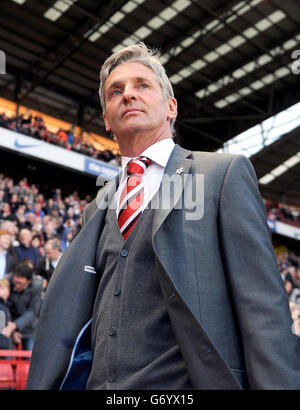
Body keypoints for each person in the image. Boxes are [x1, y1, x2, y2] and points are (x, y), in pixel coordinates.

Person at [27, 43, 300, 390]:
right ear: (107, 121)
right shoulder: (96, 209)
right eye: (116, 91)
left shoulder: (221, 174)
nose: (128, 95)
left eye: (142, 85)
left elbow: (263, 309)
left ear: (170, 107)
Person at [6, 260, 43, 351]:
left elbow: (33, 311)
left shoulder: (37, 285)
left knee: (29, 359)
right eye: (15, 282)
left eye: (20, 283)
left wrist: (15, 325)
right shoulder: (7, 280)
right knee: (6, 358)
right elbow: (4, 306)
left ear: (29, 281)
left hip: (28, 327)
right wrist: (12, 329)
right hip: (8, 325)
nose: (17, 286)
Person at [0, 278, 13, 349]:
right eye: (2, 288)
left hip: (6, 343)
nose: (6, 291)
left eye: (8, 289)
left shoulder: (6, 305)